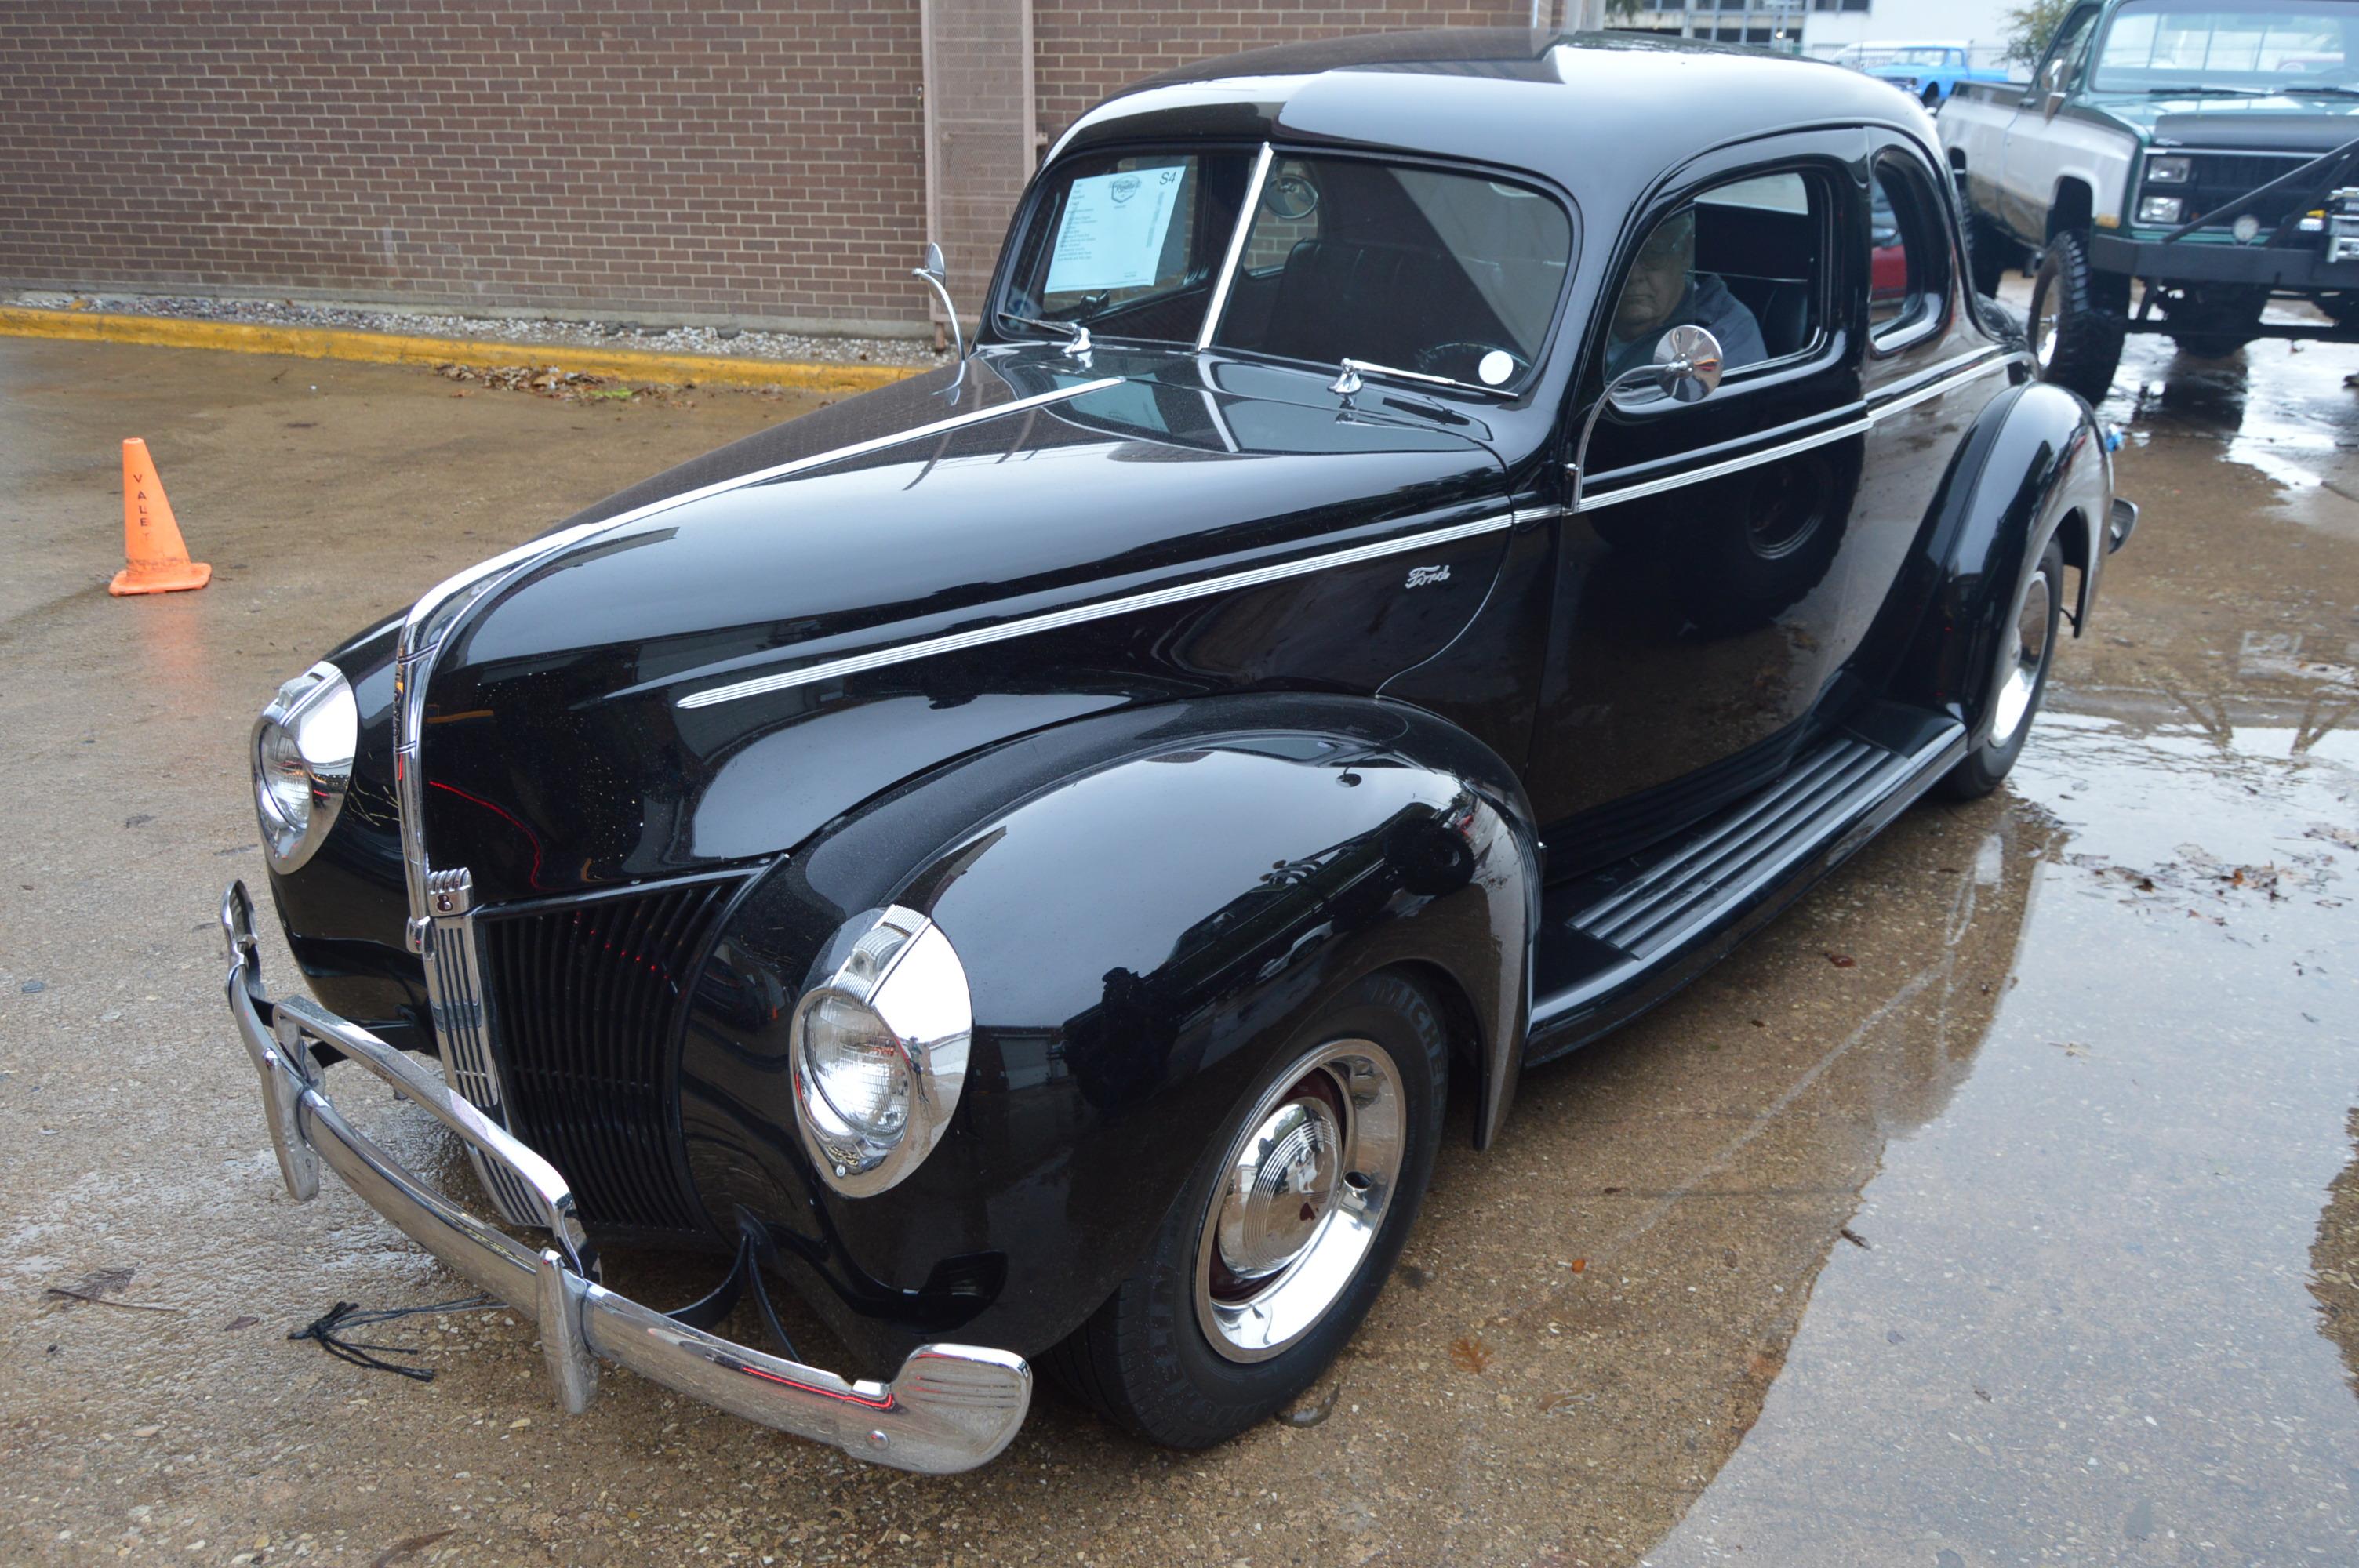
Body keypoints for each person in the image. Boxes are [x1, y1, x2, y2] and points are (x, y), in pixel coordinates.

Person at [1604, 207, 1767, 382]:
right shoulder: (1578, 308)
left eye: (1653, 254)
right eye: (1618, 258)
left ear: (1685, 254)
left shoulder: (1725, 332)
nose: (1633, 276)